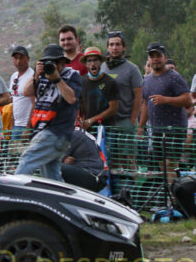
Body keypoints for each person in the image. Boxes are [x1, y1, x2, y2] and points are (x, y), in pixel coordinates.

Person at [14, 44, 82, 181]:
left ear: (62, 61)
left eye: (56, 61)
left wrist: (57, 79)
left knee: (27, 159)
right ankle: (62, 194)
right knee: (51, 176)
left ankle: (13, 189)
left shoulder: (72, 75)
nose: (52, 65)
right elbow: (26, 92)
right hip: (43, 129)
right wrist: (36, 75)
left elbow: (72, 98)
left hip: (57, 131)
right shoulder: (41, 75)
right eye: (48, 61)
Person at [138, 42, 192, 183]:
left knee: (171, 164)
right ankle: (172, 190)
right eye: (152, 56)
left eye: (158, 56)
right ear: (148, 60)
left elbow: (188, 100)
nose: (155, 59)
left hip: (175, 128)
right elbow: (145, 104)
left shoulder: (174, 77)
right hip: (156, 129)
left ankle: (175, 194)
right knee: (162, 164)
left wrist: (166, 99)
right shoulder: (147, 80)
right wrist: (140, 126)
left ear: (165, 58)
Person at [100, 31, 143, 167]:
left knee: (128, 161)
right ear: (107, 47)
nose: (115, 47)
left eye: (118, 44)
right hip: (107, 122)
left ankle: (132, 181)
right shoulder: (102, 67)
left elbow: (138, 96)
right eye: (111, 44)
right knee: (110, 160)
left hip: (125, 120)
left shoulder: (132, 69)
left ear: (123, 47)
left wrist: (132, 120)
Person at [79, 46, 119, 132]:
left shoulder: (110, 82)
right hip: (88, 129)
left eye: (95, 60)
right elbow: (81, 105)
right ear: (85, 64)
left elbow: (113, 109)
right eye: (89, 61)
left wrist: (92, 120)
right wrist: (79, 118)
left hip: (107, 129)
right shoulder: (81, 81)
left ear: (101, 62)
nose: (93, 64)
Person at [60, 128, 108, 193]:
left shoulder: (75, 133)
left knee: (55, 167)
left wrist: (62, 159)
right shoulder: (77, 132)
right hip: (90, 173)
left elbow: (53, 158)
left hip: (94, 175)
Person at [8, 45, 34, 141]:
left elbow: (34, 103)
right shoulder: (14, 76)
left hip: (27, 126)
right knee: (14, 150)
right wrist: (12, 124)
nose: (18, 61)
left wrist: (28, 127)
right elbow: (14, 100)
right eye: (16, 58)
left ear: (28, 58)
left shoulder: (32, 76)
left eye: (21, 58)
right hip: (16, 126)